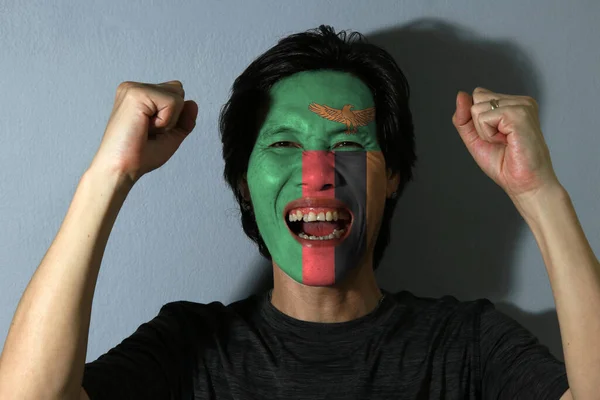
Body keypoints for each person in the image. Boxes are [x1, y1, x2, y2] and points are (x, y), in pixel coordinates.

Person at [1, 24, 597, 399]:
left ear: (392, 177)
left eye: (347, 145)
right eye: (284, 145)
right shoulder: (189, 348)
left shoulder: (466, 344)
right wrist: (110, 175)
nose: (317, 174)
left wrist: (538, 192)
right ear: (243, 183)